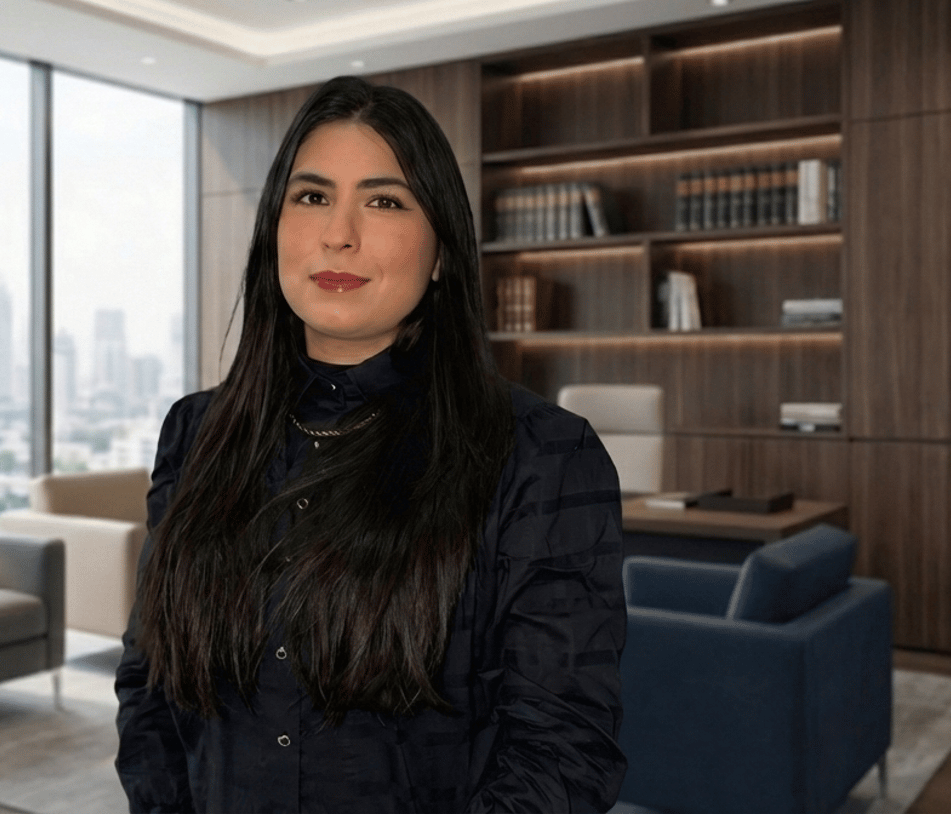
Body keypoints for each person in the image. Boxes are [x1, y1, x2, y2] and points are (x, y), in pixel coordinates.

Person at [115, 75, 626, 813]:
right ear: (275, 229)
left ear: (442, 250)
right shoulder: (196, 434)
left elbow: (563, 749)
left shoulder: (540, 455)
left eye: (384, 201)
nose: (339, 233)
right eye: (312, 196)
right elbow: (150, 686)